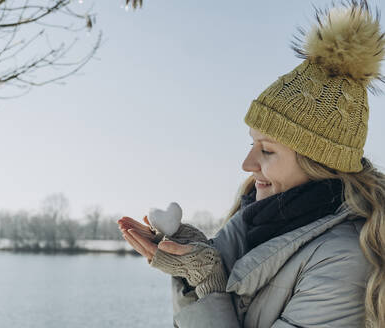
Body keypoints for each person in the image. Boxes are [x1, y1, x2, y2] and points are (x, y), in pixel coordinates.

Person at [117, 1, 385, 327]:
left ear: (320, 163)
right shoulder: (255, 226)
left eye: (267, 151)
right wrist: (199, 263)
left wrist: (210, 281)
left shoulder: (343, 263)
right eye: (251, 144)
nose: (247, 164)